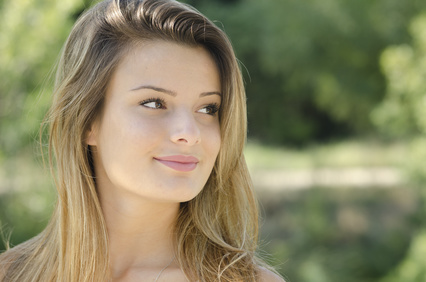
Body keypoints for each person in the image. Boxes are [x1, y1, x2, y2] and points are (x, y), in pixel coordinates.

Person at [0, 0, 284, 281]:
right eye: (153, 103)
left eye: (208, 108)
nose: (189, 132)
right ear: (87, 121)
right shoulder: (11, 274)